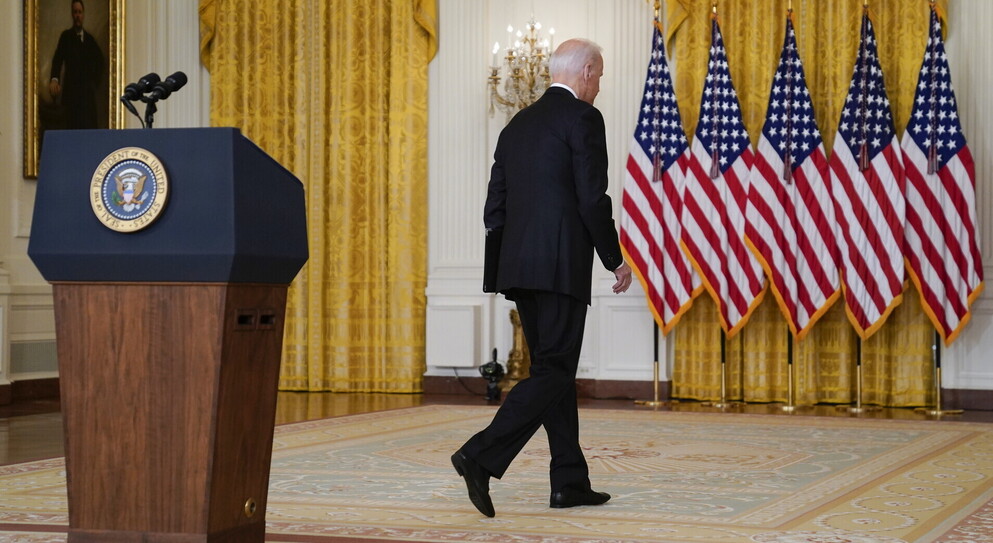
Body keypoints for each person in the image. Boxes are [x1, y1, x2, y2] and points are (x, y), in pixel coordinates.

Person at [451, 38, 633, 518]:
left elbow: (495, 206)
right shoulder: (584, 118)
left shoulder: (516, 124)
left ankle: (569, 482)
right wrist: (614, 259)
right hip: (560, 267)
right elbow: (592, 198)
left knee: (555, 373)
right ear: (587, 71)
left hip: (519, 269)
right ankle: (480, 455)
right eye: (599, 76)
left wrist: (503, 267)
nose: (599, 86)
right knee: (554, 372)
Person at [49, 0, 104, 129]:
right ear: (72, 14)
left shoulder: (90, 40)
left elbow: (100, 61)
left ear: (83, 14)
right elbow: (57, 59)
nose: (77, 15)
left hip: (86, 97)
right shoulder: (66, 37)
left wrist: (93, 81)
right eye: (75, 12)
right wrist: (54, 79)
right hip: (71, 95)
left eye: (80, 12)